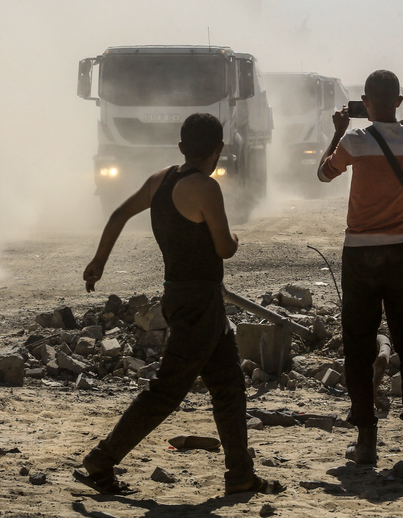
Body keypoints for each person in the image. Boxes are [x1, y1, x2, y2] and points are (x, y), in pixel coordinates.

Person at [79, 113, 282, 496]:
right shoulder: (205, 188)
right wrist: (235, 237)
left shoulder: (161, 180)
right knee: (167, 391)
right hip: (199, 302)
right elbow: (224, 248)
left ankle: (240, 474)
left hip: (180, 295)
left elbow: (119, 213)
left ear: (181, 147)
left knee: (228, 385)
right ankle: (101, 459)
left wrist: (99, 262)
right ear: (219, 149)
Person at [317, 69, 403, 466]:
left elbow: (323, 173)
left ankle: (366, 440)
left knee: (358, 347)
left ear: (365, 103)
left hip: (361, 253)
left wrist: (338, 131)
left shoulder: (354, 140)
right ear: (399, 102)